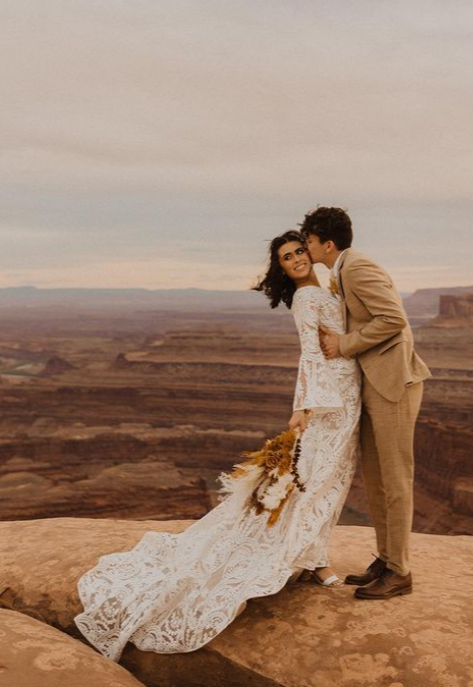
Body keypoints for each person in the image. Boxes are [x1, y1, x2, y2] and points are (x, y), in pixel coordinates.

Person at [73, 229, 361, 661]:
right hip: (330, 401)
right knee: (318, 480)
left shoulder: (330, 287)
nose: (297, 259)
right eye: (287, 257)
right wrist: (304, 406)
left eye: (300, 251)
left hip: (348, 391)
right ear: (281, 268)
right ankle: (314, 562)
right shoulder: (305, 299)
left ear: (314, 251)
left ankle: (311, 556)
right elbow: (309, 353)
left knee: (332, 478)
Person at [299, 207, 431, 600]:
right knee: (375, 478)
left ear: (327, 243)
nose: (306, 248)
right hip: (373, 383)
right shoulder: (340, 271)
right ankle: (387, 560)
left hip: (394, 383)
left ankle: (401, 571)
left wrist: (345, 344)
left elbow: (393, 318)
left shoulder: (356, 267)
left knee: (395, 478)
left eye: (308, 241)